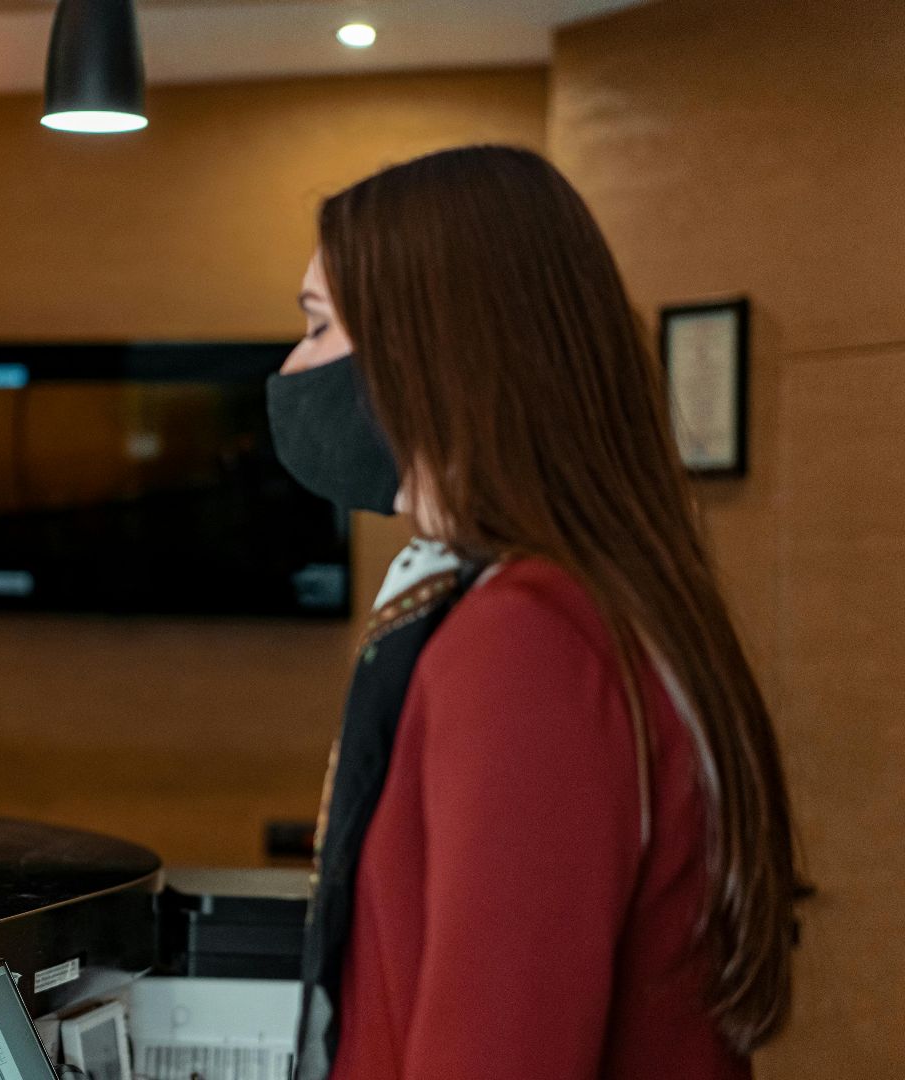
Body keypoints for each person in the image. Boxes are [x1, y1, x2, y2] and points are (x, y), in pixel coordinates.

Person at [268, 145, 799, 1079]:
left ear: (424, 352)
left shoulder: (527, 641)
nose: (293, 364)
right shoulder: (581, 598)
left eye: (317, 328)